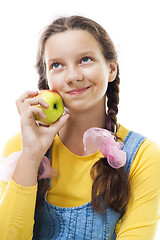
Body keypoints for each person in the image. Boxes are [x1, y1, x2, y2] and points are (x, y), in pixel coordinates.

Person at [0, 15, 160, 240]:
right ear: (47, 79)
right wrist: (31, 155)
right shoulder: (20, 148)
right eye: (57, 65)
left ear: (111, 69)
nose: (73, 76)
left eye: (85, 59)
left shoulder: (142, 155)